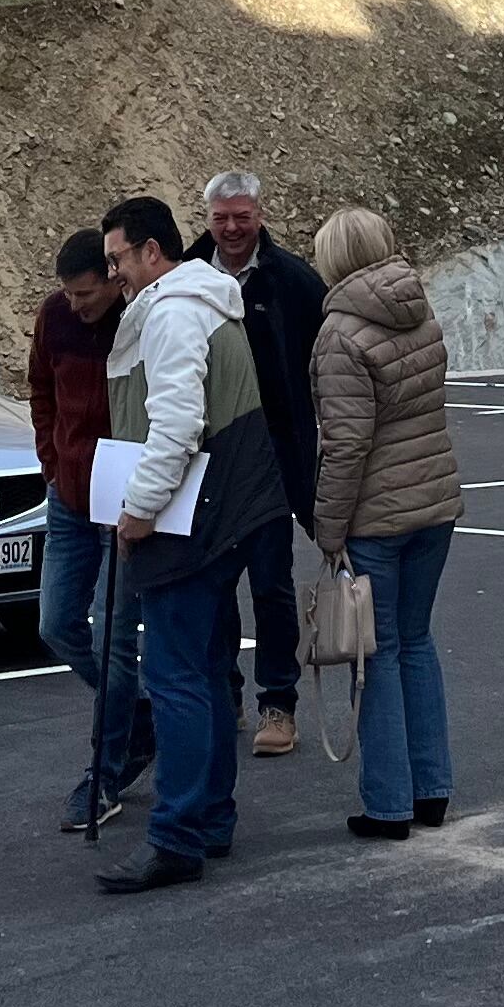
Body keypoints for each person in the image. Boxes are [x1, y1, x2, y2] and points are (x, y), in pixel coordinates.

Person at [92, 193, 291, 894]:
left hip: (191, 520)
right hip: (230, 512)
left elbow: (175, 424)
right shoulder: (205, 301)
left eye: (117, 258)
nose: (113, 274)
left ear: (152, 251)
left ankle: (177, 835)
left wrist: (138, 509)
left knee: (176, 676)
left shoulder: (173, 313)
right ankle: (208, 819)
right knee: (205, 671)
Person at [307, 203, 459, 840]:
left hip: (376, 514)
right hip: (435, 502)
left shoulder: (339, 334)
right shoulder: (419, 311)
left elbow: (346, 445)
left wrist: (327, 527)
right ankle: (431, 789)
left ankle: (388, 804)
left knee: (378, 653)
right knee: (416, 642)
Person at [188, 169, 327, 757]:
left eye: (241, 217)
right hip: (205, 463)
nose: (231, 228)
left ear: (260, 216)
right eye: (221, 218)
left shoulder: (294, 281)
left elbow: (324, 369)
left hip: (271, 463)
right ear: (208, 218)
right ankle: (225, 694)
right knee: (213, 588)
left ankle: (279, 704)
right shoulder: (184, 277)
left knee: (271, 586)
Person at [28, 227, 149, 830]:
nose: (74, 304)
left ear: (111, 278)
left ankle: (103, 776)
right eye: (68, 294)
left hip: (125, 499)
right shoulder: (54, 317)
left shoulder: (140, 319)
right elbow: (40, 391)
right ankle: (140, 712)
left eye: (85, 293)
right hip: (69, 498)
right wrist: (52, 462)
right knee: (56, 624)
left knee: (114, 638)